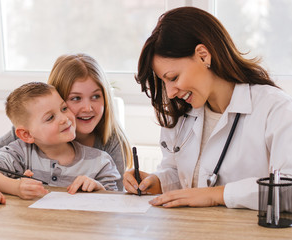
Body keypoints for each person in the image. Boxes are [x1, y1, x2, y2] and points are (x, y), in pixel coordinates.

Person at [123, 6, 292, 210]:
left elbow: (287, 188)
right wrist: (157, 182)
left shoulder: (274, 108)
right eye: (164, 82)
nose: (169, 93)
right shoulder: (182, 112)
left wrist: (217, 195)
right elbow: (179, 174)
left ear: (203, 56)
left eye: (173, 78)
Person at [0, 53, 132, 204]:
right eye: (76, 99)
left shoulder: (110, 143)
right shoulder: (24, 140)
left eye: (96, 96)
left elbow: (115, 197)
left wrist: (98, 189)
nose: (88, 108)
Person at [0, 82, 120, 199]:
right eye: (50, 118)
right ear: (26, 135)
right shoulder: (20, 153)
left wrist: (97, 187)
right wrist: (16, 187)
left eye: (64, 108)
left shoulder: (100, 162)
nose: (64, 118)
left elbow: (115, 199)